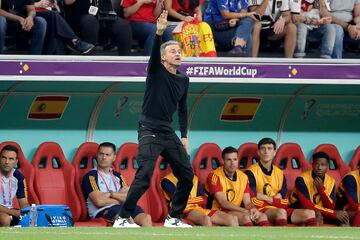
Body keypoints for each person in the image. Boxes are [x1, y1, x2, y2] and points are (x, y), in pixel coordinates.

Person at [113, 10, 194, 228]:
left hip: (168, 132)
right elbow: (153, 55)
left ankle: (174, 217)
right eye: (172, 51)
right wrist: (159, 34)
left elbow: (183, 110)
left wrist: (184, 136)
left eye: (179, 50)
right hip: (148, 129)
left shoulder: (184, 80)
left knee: (187, 175)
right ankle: (122, 218)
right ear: (163, 57)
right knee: (145, 175)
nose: (177, 53)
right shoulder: (156, 71)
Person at [246, 138, 317, 226]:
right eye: (263, 148)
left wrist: (267, 198)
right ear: (258, 152)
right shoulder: (250, 172)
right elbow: (253, 199)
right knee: (281, 212)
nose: (266, 151)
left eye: (269, 148)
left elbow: (285, 201)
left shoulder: (279, 173)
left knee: (310, 213)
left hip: (279, 208)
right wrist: (275, 200)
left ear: (274, 152)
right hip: (262, 209)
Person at [81, 142, 152, 226]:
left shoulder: (118, 176)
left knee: (146, 218)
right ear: (97, 155)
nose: (104, 157)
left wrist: (111, 194)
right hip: (103, 210)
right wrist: (120, 198)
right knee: (123, 218)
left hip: (123, 207)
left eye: (107, 155)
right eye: (101, 154)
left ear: (114, 157)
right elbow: (99, 201)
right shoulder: (91, 176)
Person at [206, 146, 270, 226]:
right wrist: (243, 210)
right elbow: (223, 203)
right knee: (245, 217)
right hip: (218, 210)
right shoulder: (214, 176)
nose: (232, 163)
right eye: (229, 160)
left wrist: (252, 209)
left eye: (235, 159)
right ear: (223, 161)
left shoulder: (243, 177)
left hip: (235, 210)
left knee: (262, 216)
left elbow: (247, 202)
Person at [290, 151, 350, 225]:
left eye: (323, 165)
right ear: (312, 165)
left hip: (322, 211)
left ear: (327, 166)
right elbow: (307, 205)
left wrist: (321, 189)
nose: (319, 168)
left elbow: (331, 206)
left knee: (344, 217)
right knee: (316, 215)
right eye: (317, 164)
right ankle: (314, 235)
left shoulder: (331, 181)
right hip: (301, 210)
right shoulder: (301, 179)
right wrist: (333, 213)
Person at [162, 172, 238, 226]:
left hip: (198, 209)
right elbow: (178, 201)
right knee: (206, 219)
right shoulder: (167, 181)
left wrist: (188, 201)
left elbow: (204, 199)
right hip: (183, 211)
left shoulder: (194, 178)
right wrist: (195, 200)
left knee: (232, 219)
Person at [64, 0, 132, 55]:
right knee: (90, 21)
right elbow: (68, 2)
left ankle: (126, 63)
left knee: (123, 26)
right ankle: (89, 59)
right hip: (81, 17)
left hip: (104, 16)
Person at [0, 145, 29, 226]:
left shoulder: (18, 176)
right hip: (6, 213)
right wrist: (14, 212)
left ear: (16, 161)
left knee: (32, 218)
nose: (6, 162)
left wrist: (30, 212)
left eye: (11, 159)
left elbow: (23, 203)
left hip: (9, 211)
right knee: (5, 219)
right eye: (4, 158)